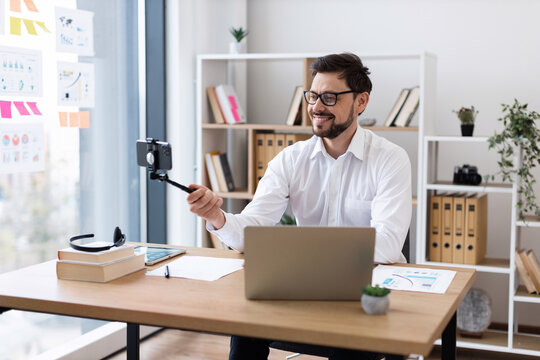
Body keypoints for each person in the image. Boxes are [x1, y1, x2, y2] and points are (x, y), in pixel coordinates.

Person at [186, 53, 412, 360]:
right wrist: (217, 216)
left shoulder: (390, 159)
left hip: (367, 292)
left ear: (361, 102)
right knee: (246, 324)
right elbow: (250, 233)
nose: (317, 107)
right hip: (307, 288)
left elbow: (386, 246)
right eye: (313, 96)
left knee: (354, 345)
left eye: (330, 97)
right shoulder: (291, 160)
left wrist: (295, 255)